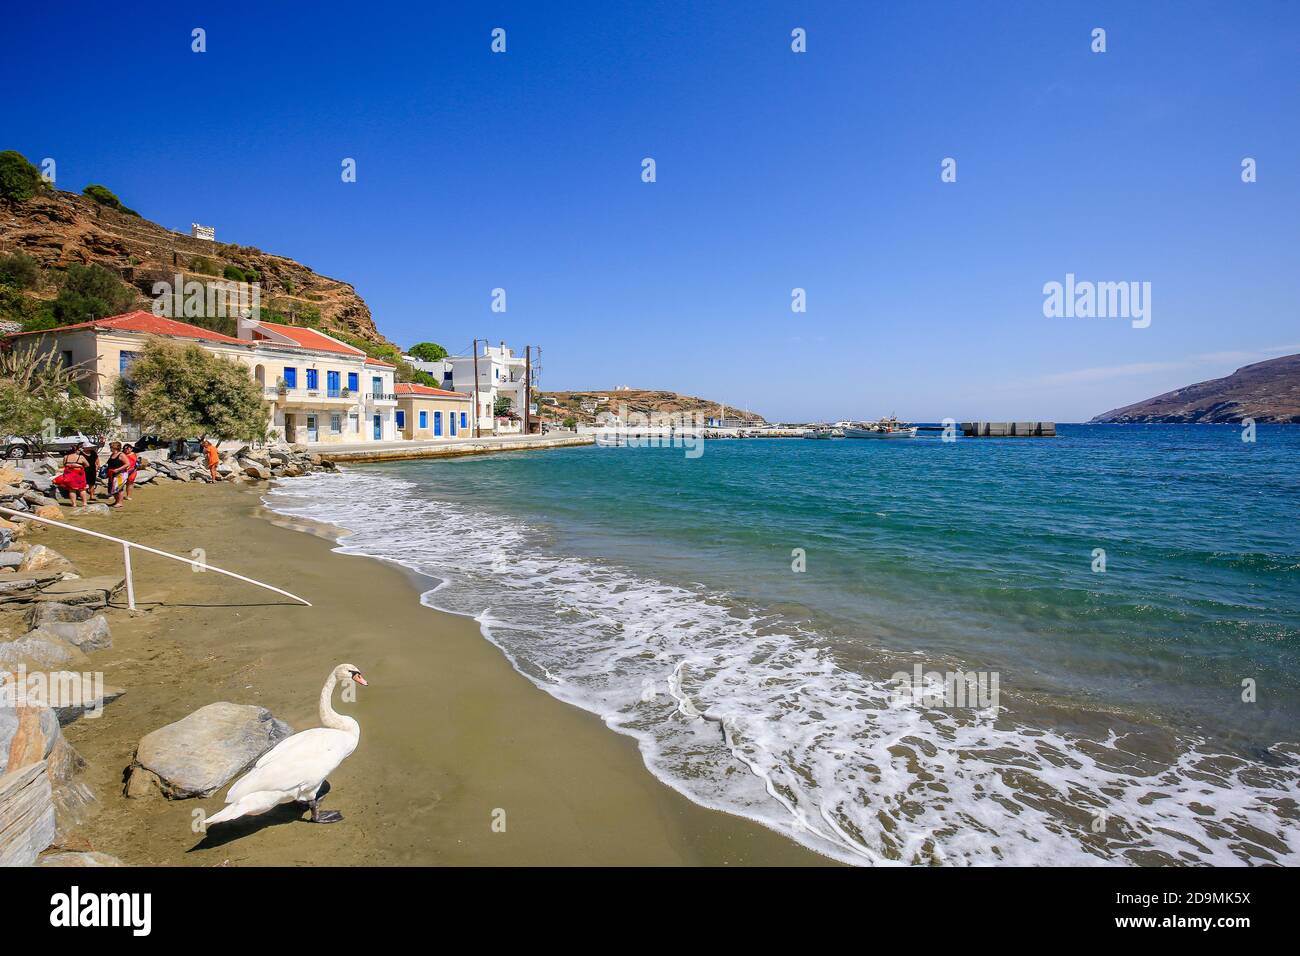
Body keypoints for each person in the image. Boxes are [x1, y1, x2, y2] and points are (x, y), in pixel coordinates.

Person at [104, 441, 129, 508]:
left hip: (120, 474)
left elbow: (127, 464)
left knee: (119, 488)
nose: (110, 448)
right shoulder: (112, 454)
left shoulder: (121, 454)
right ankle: (116, 501)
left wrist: (118, 469)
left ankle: (120, 502)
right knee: (112, 488)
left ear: (115, 447)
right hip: (112, 473)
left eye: (111, 447)